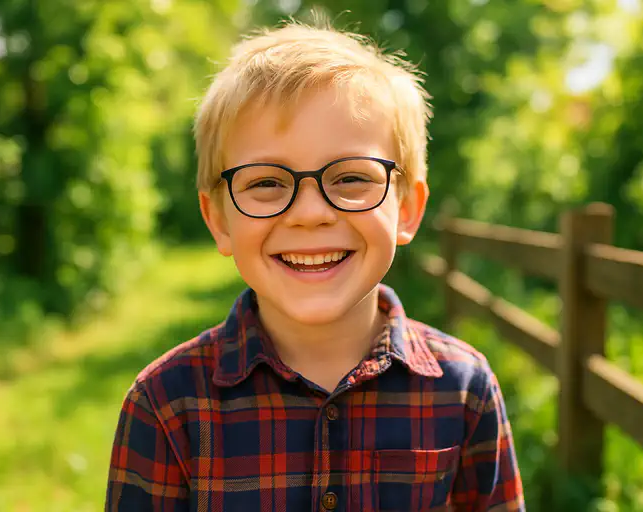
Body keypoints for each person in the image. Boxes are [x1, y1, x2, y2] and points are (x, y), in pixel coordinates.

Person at [106, 19, 524, 512]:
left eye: (350, 178)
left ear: (407, 208)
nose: (309, 214)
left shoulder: (464, 389)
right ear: (219, 219)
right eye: (266, 183)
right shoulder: (164, 405)